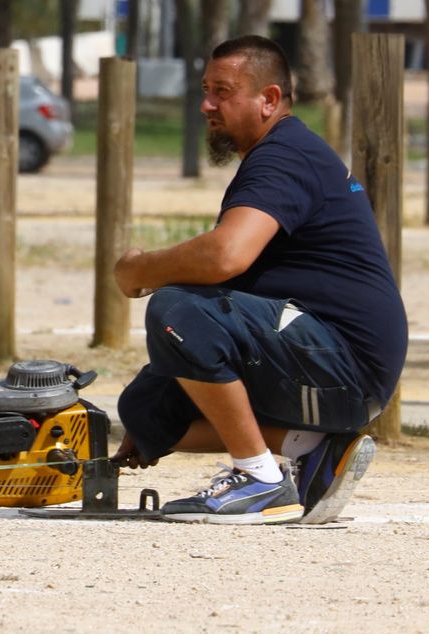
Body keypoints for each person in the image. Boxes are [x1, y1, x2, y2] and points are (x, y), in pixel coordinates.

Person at [112, 35, 407, 525]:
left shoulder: (284, 155)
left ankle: (259, 479)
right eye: (206, 89)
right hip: (327, 363)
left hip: (343, 363)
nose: (207, 103)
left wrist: (138, 270)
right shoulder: (280, 154)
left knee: (176, 308)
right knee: (146, 410)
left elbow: (226, 255)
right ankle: (312, 448)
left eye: (223, 91)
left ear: (269, 99)